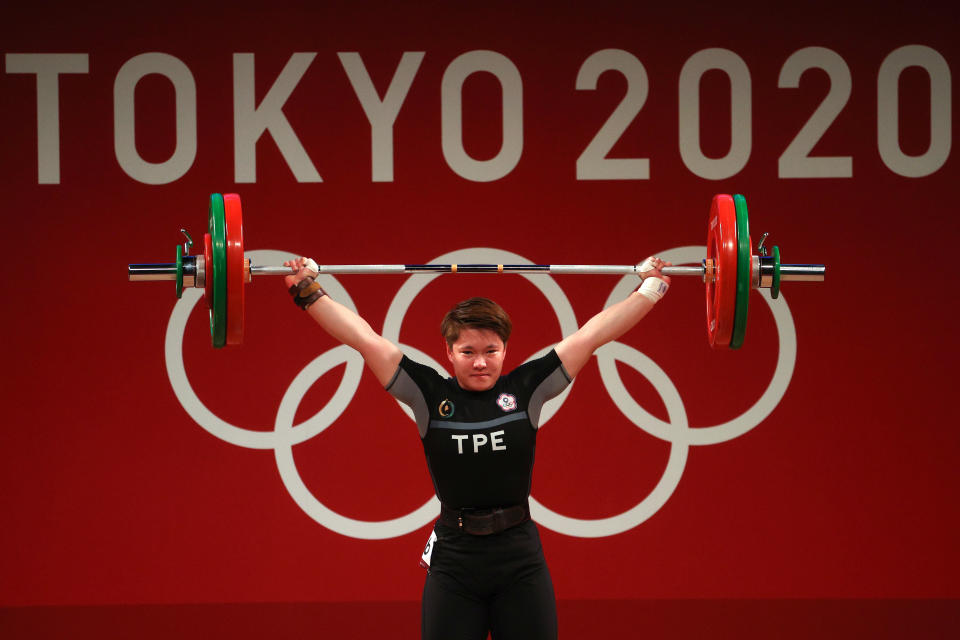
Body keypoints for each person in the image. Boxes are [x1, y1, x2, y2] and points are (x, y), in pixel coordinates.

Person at [283, 256, 672, 640]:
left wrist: (651, 288)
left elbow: (592, 335)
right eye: (468, 352)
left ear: (506, 351)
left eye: (491, 351)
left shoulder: (526, 389)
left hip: (519, 558)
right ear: (449, 353)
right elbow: (363, 339)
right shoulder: (428, 394)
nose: (481, 363)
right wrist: (308, 290)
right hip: (455, 560)